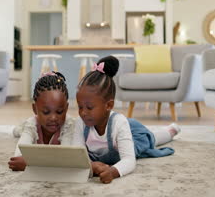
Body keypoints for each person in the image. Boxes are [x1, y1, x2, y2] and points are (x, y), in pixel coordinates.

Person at [73, 56, 180, 184]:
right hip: (119, 134)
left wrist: (113, 172)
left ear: (109, 105)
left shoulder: (119, 122)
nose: (83, 112)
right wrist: (92, 166)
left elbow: (129, 160)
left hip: (133, 133)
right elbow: (77, 156)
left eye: (89, 107)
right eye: (80, 107)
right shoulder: (81, 123)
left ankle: (171, 130)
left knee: (151, 139)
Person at [8, 71, 75, 171]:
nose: (53, 118)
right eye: (46, 112)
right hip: (28, 126)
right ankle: (16, 129)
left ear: (66, 108)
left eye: (59, 111)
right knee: (19, 130)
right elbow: (18, 156)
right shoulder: (31, 125)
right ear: (35, 109)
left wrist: (31, 163)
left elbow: (66, 156)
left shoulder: (68, 125)